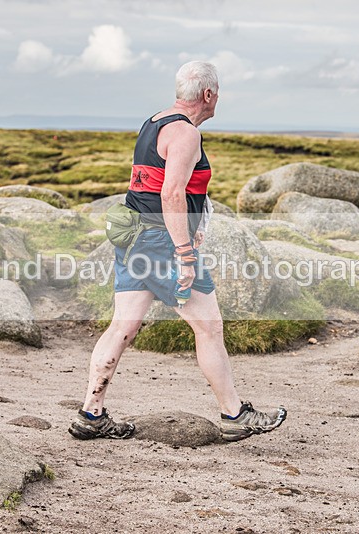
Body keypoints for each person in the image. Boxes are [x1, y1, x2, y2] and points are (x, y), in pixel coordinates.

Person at [69, 61, 287, 442]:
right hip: (161, 243)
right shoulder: (185, 134)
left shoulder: (155, 121)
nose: (218, 99)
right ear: (207, 95)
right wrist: (185, 254)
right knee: (209, 326)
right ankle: (233, 413)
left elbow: (150, 186)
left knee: (123, 326)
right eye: (217, 93)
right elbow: (170, 194)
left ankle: (91, 414)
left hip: (134, 238)